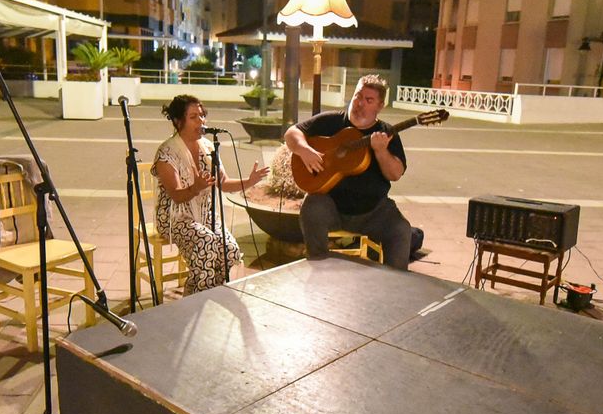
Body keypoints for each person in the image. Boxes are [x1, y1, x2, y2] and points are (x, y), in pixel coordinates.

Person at [283, 74, 414, 271]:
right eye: (357, 96)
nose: (360, 103)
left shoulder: (387, 132)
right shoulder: (331, 121)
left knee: (401, 230)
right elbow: (292, 133)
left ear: (379, 106)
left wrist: (380, 151)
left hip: (374, 212)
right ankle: (318, 266)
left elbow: (395, 173)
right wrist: (304, 150)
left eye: (368, 100)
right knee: (312, 207)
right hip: (332, 208)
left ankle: (394, 285)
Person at [151, 95, 264, 294]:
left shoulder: (209, 148)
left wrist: (249, 181)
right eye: (193, 116)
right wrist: (196, 187)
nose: (201, 121)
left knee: (229, 249)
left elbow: (224, 183)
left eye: (202, 115)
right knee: (207, 243)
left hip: (205, 215)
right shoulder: (167, 153)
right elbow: (177, 196)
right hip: (175, 218)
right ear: (178, 121)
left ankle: (215, 294)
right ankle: (197, 299)